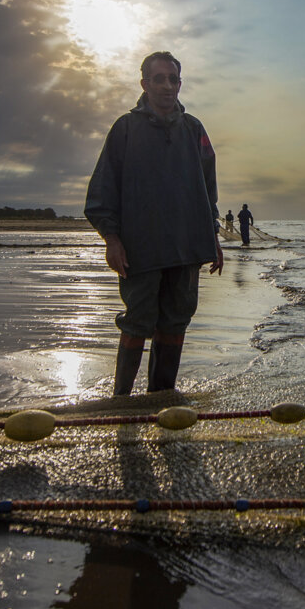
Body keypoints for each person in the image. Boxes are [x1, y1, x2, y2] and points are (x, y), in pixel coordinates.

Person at [85, 51, 224, 395]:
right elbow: (103, 187)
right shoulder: (125, 128)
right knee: (136, 322)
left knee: (175, 323)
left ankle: (160, 399)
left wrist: (213, 238)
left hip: (187, 247)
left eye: (173, 79)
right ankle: (120, 401)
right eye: (158, 79)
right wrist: (111, 239)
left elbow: (208, 190)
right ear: (144, 84)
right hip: (140, 249)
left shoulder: (194, 130)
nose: (166, 86)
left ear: (180, 84)